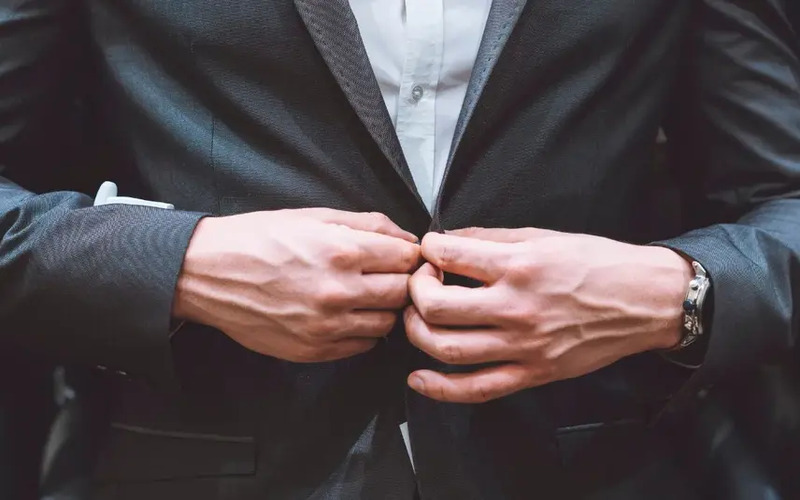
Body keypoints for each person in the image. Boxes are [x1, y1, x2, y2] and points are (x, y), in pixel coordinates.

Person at [1, 1, 799, 499]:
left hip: (591, 468)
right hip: (197, 467)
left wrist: (679, 295)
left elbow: (783, 200)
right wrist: (180, 263)